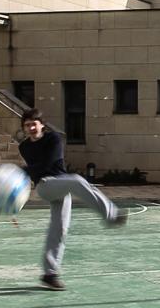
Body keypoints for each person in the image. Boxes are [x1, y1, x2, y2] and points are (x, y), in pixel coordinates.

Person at [17, 108, 127, 290]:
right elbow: (39, 170)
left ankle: (49, 274)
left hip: (61, 185)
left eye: (33, 124)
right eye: (27, 125)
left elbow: (48, 163)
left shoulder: (54, 139)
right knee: (76, 180)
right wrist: (25, 171)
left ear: (42, 125)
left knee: (59, 228)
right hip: (45, 186)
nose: (31, 128)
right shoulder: (24, 147)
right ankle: (111, 215)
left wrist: (23, 170)